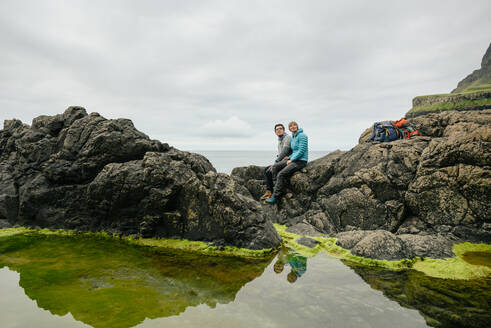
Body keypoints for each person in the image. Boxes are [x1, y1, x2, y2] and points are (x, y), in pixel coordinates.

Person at [265, 121, 308, 204]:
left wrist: (291, 159)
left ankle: (275, 197)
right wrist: (289, 157)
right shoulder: (293, 137)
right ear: (289, 128)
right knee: (275, 167)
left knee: (281, 174)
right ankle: (275, 188)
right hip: (293, 159)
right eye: (291, 126)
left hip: (301, 161)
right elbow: (294, 151)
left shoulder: (302, 136)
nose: (293, 127)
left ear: (297, 126)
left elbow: (301, 151)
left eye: (294, 125)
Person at [260, 124, 291, 200]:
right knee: (267, 170)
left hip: (288, 161)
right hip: (282, 161)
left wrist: (276, 162)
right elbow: (280, 154)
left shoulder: (287, 137)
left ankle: (275, 191)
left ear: (284, 130)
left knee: (272, 169)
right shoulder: (280, 141)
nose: (279, 130)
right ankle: (268, 191)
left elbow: (285, 151)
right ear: (275, 132)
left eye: (280, 128)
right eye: (277, 129)